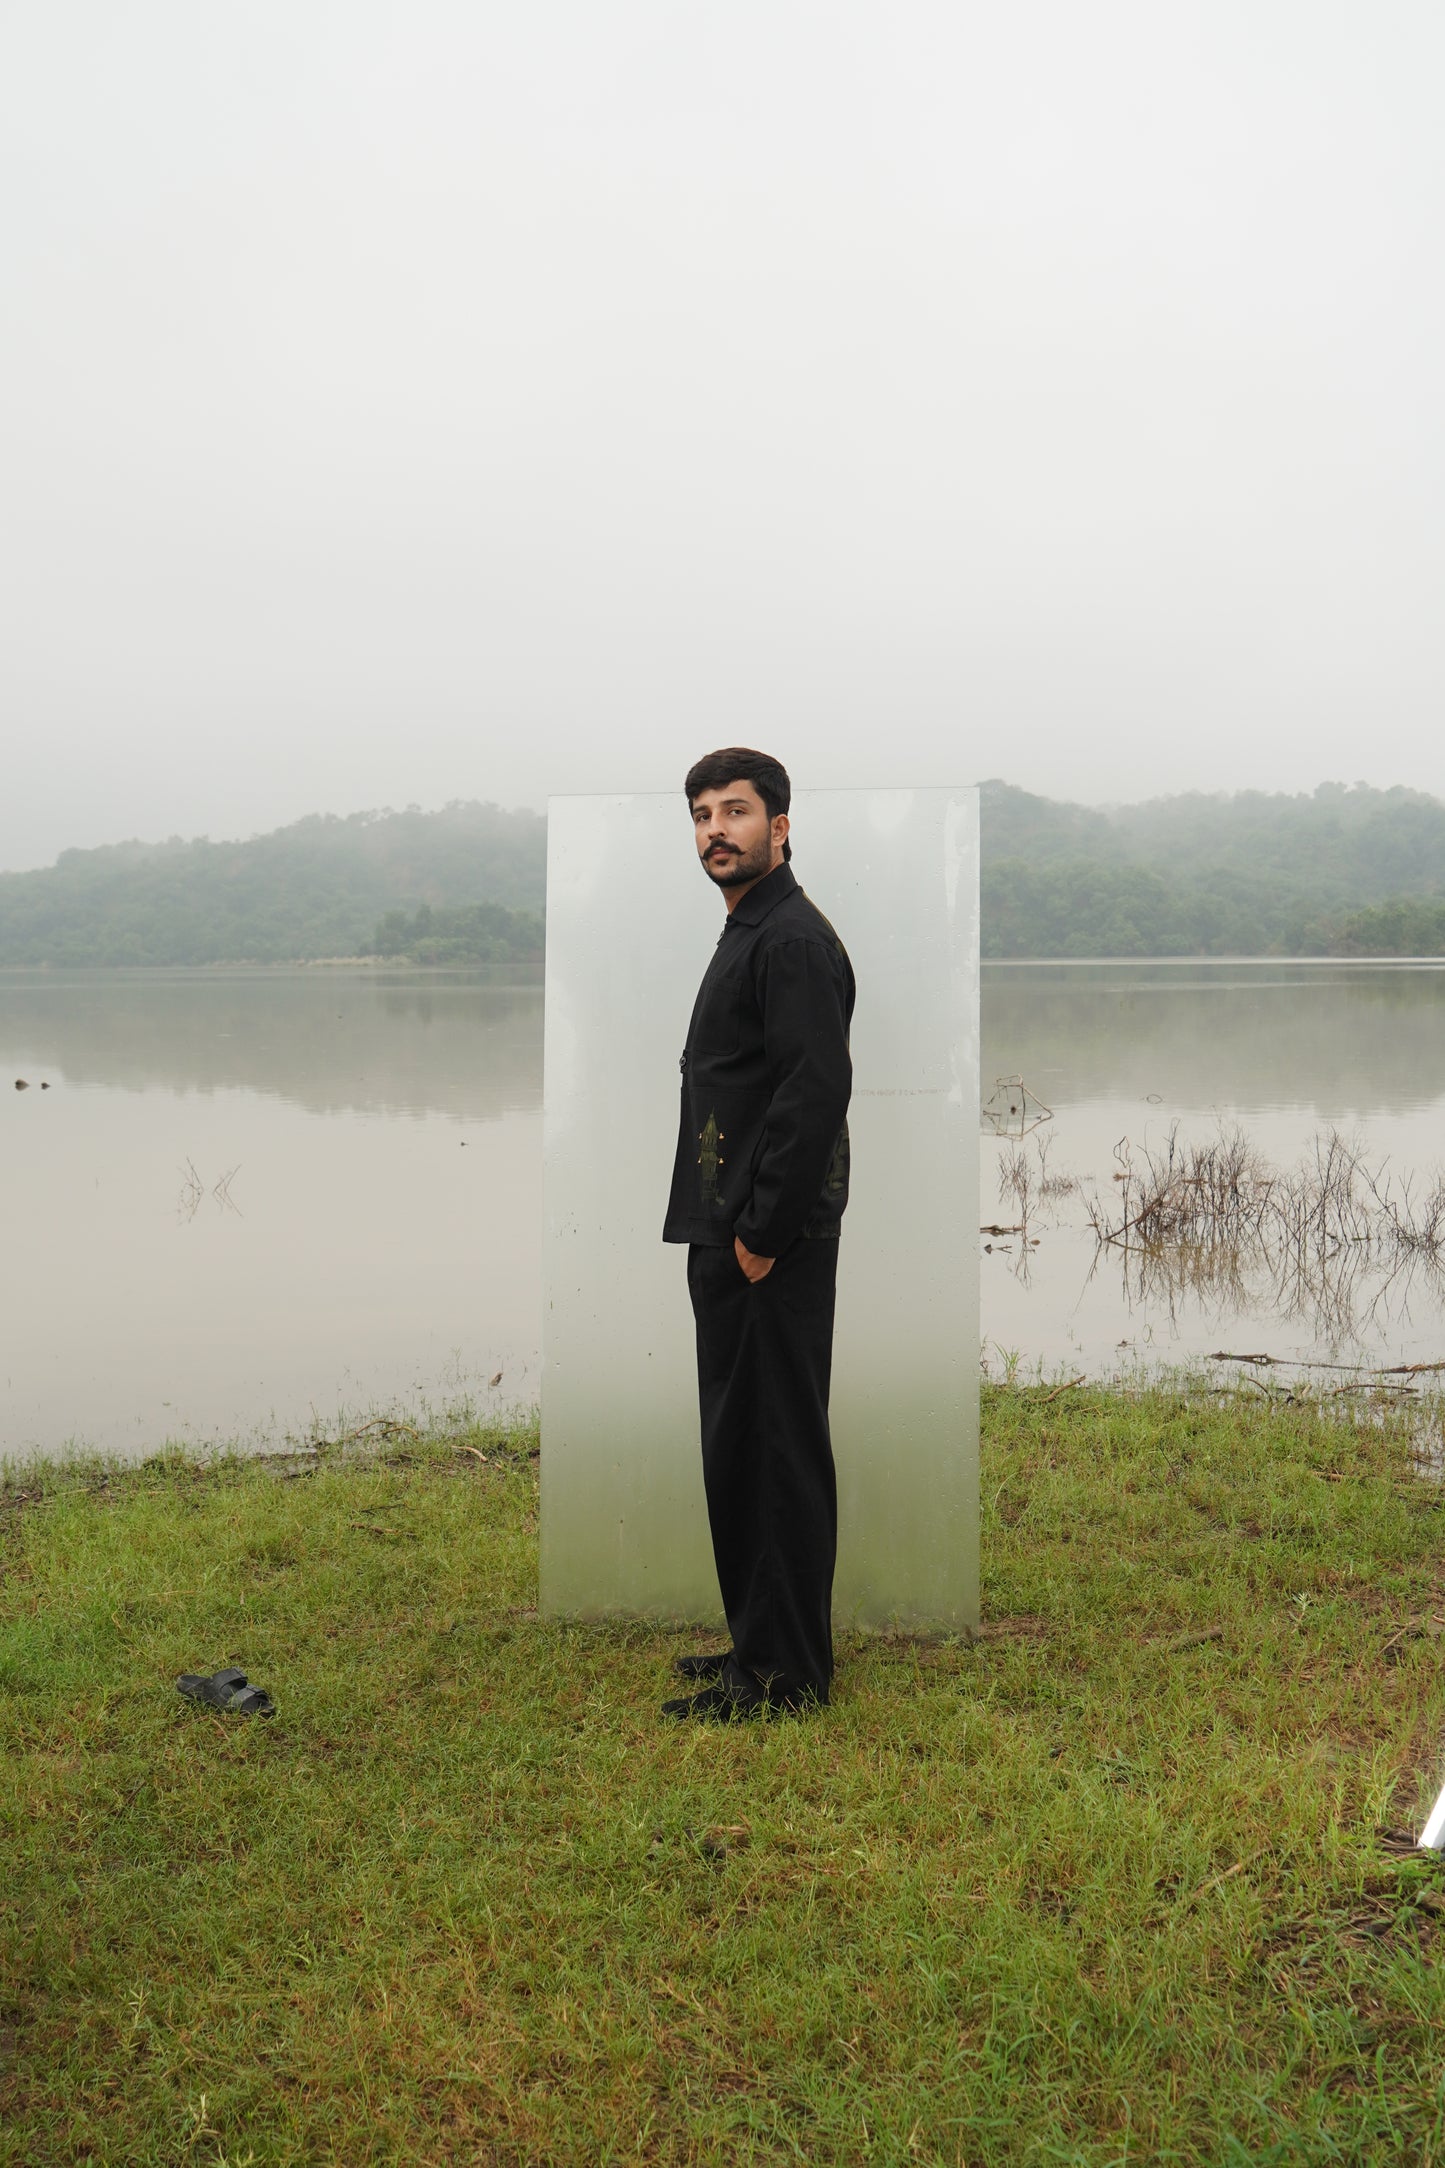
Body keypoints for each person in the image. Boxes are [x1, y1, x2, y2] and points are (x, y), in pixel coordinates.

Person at [661, 749, 855, 1721]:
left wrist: (763, 1233)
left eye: (733, 811)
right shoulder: (751, 927)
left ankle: (783, 1679)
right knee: (740, 1444)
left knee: (774, 1448)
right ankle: (758, 1641)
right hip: (729, 1229)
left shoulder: (789, 939)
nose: (713, 829)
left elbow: (812, 1090)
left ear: (779, 826)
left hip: (764, 1242)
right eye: (700, 814)